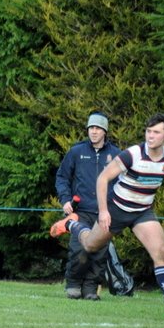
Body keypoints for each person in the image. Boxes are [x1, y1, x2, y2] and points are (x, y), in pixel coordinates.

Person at [50, 113, 164, 320]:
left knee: (161, 251)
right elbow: (103, 178)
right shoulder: (133, 154)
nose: (150, 136)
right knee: (90, 245)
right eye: (148, 131)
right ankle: (71, 225)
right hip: (116, 209)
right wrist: (104, 211)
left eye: (156, 132)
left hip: (142, 212)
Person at [54, 112, 122, 300]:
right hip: (81, 211)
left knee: (99, 253)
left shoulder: (116, 155)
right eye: (91, 127)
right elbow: (62, 177)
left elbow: (124, 182)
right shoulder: (76, 152)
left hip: (105, 213)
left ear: (105, 131)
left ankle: (91, 288)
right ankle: (73, 284)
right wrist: (65, 199)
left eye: (98, 128)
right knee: (79, 249)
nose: (93, 131)